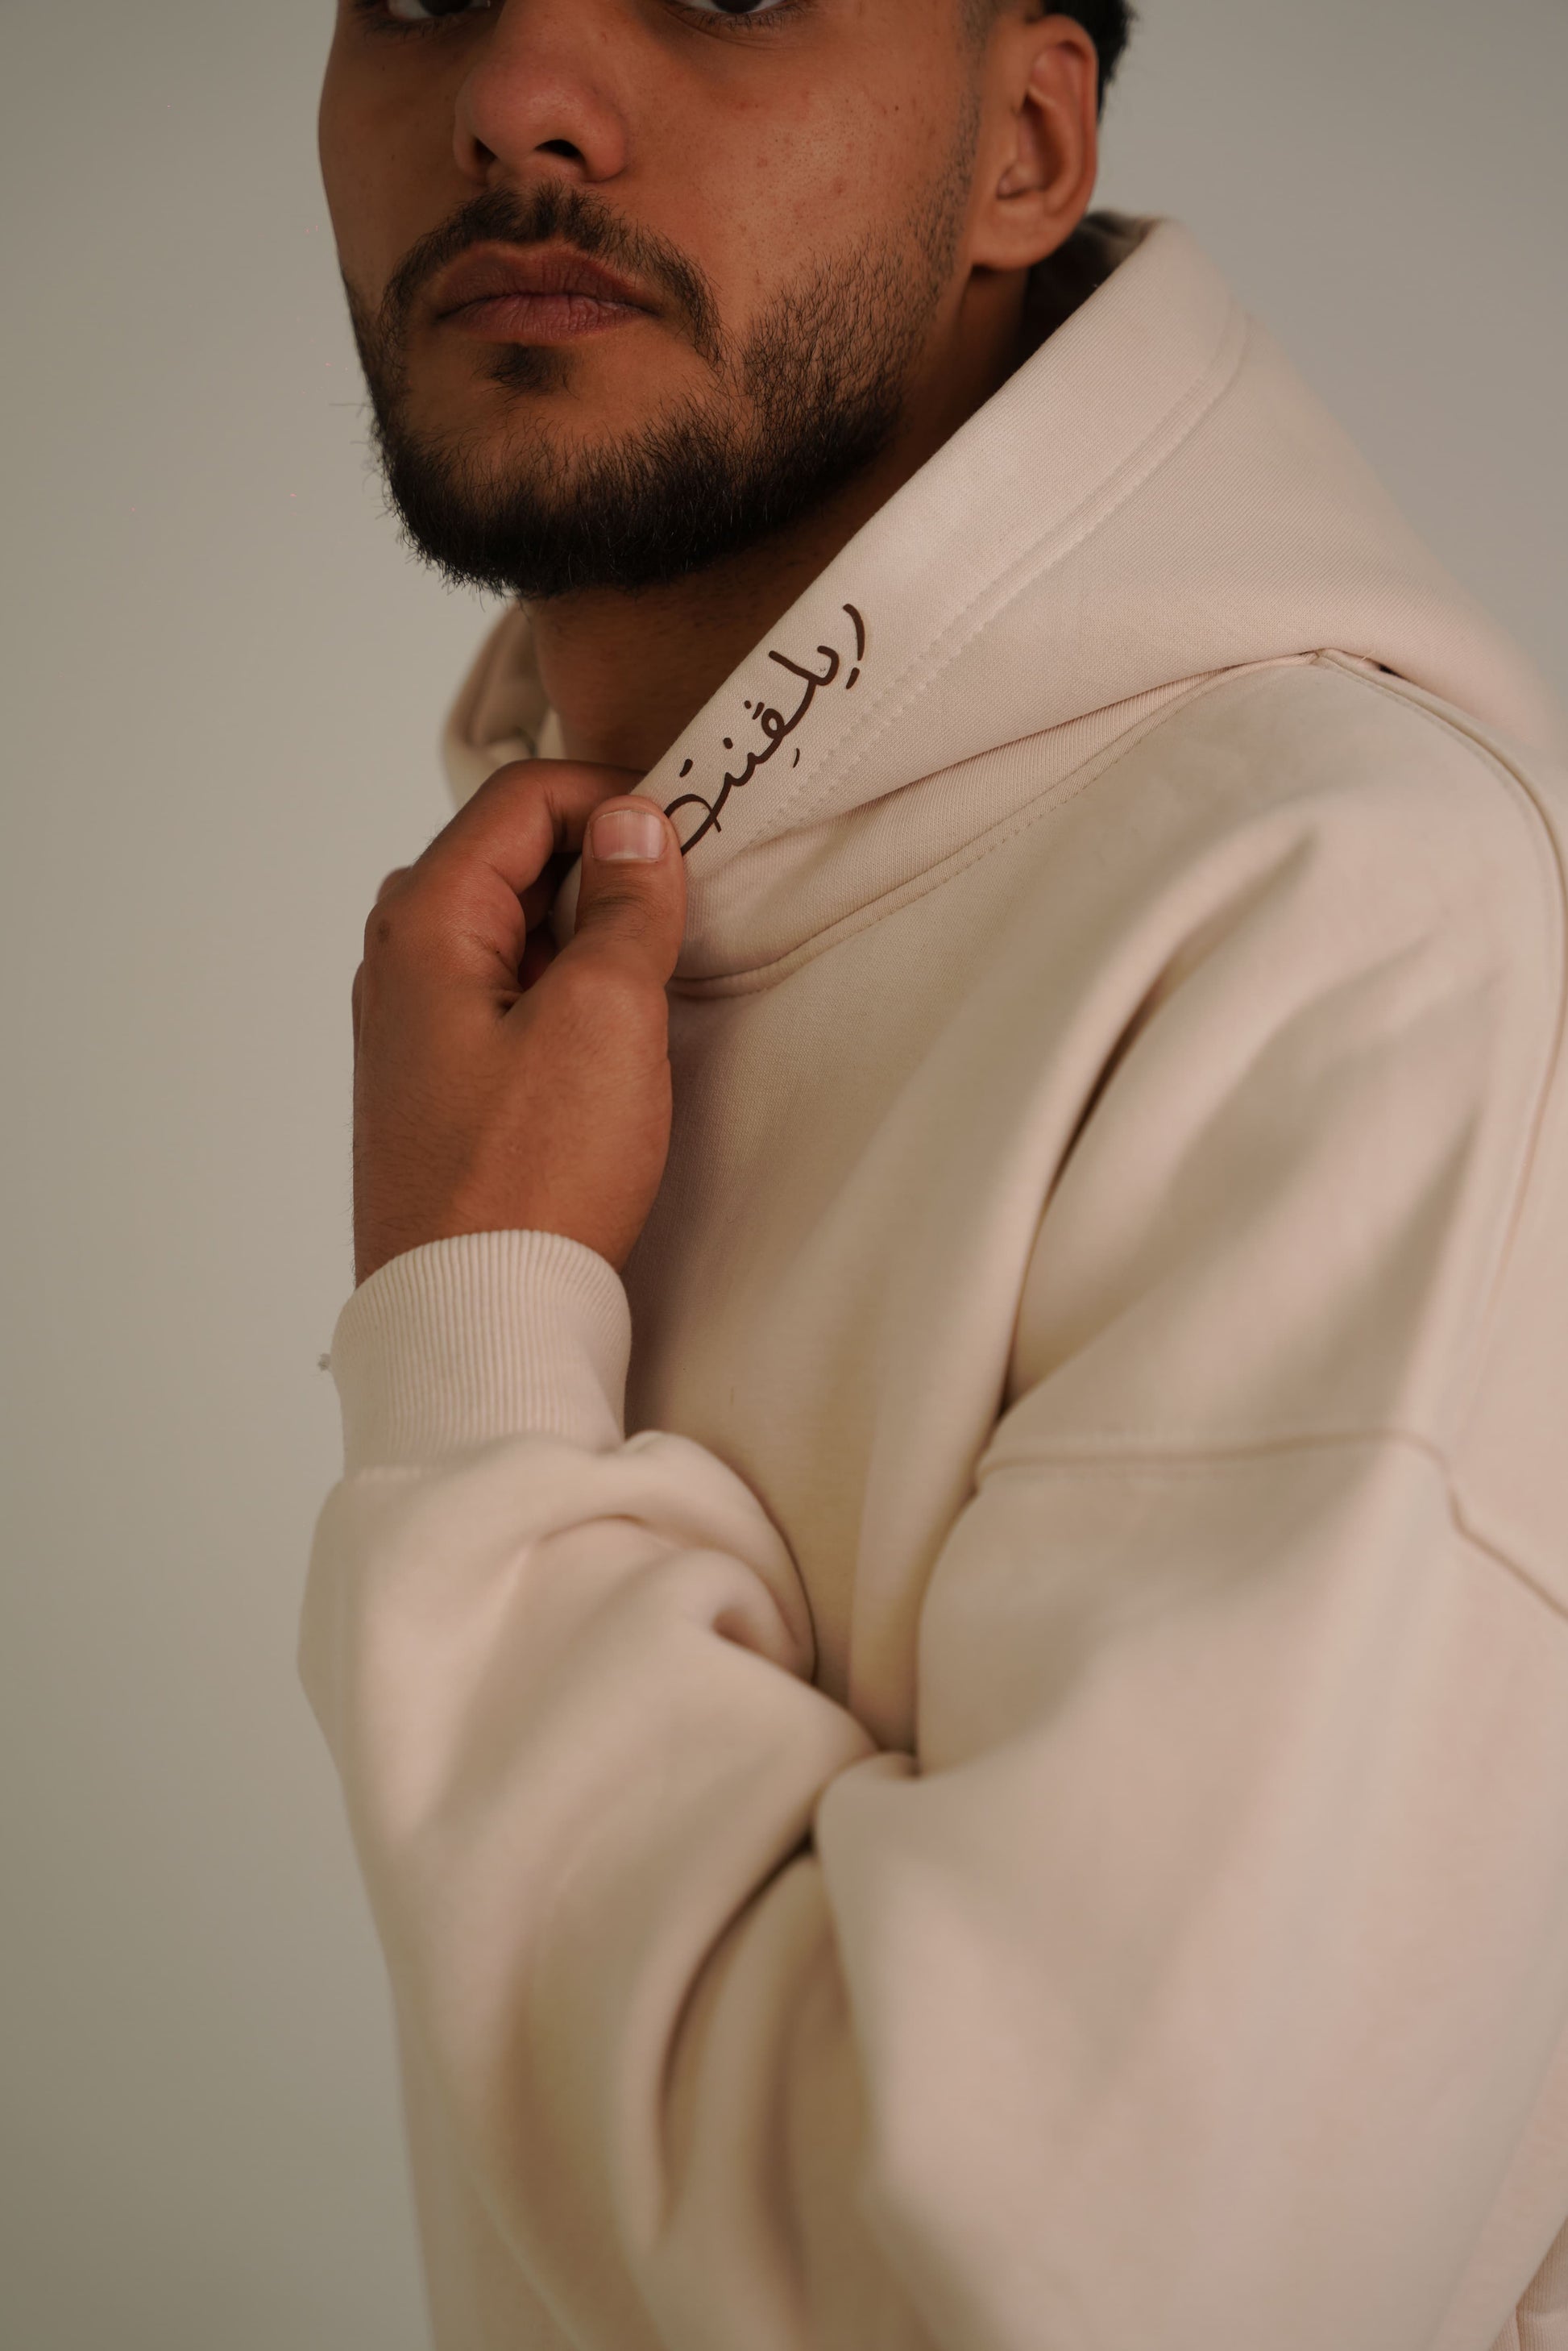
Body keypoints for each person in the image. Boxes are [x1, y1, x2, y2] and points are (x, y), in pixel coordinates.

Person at [299, 2, 1568, 2345]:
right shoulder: (568, 916)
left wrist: (478, 1367)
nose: (513, 91)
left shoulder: (1344, 928)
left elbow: (1042, 2300)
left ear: (1024, 142)